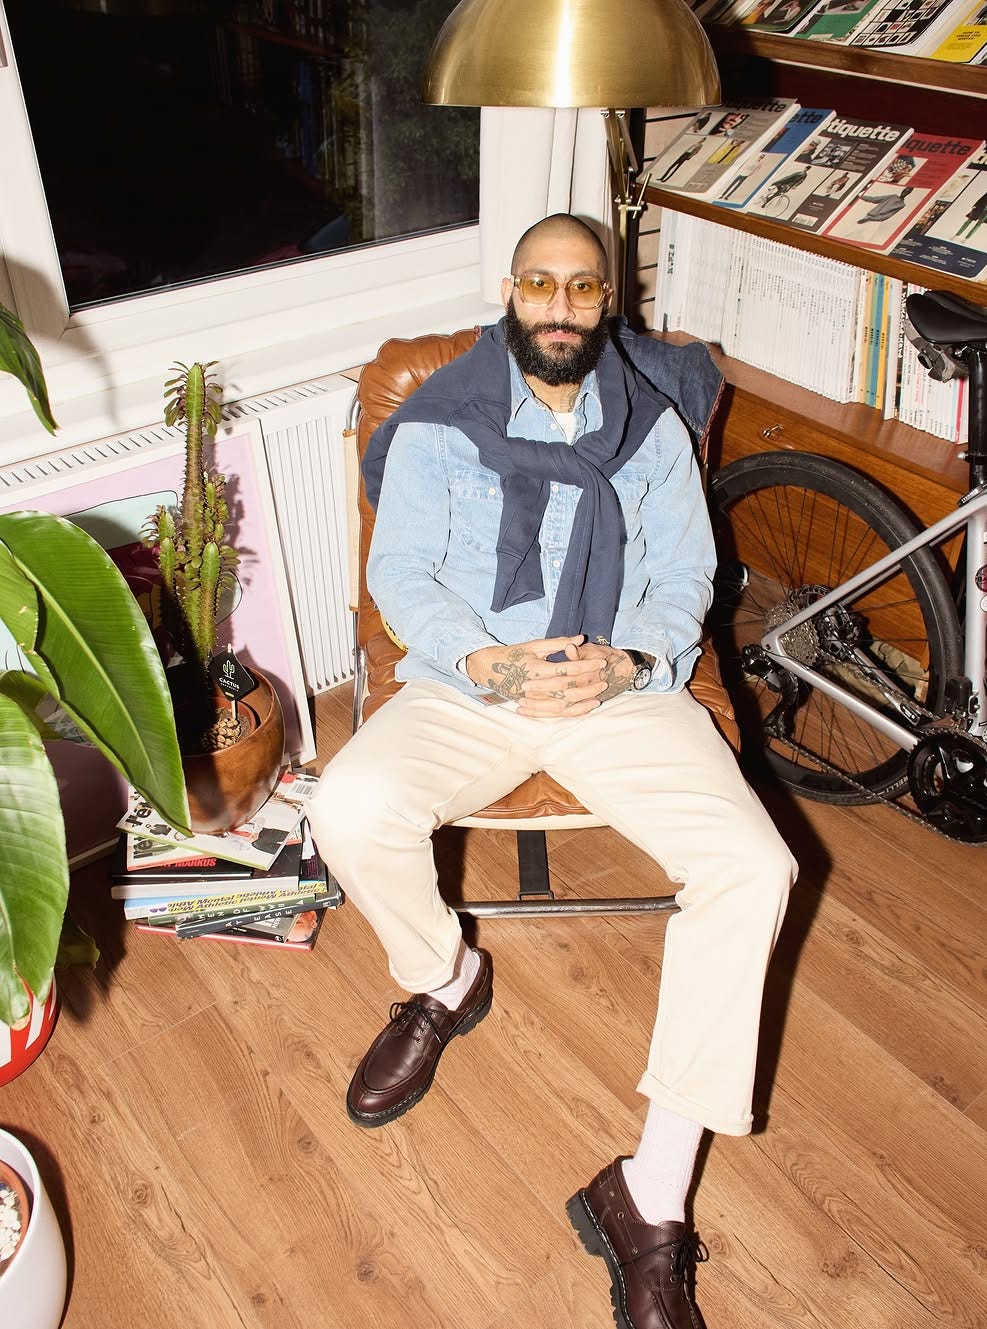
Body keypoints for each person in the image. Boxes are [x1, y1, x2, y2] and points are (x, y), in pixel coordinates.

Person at [305, 213, 796, 1329]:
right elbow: (405, 574)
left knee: (755, 870)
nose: (561, 306)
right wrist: (482, 656)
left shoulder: (654, 427)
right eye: (541, 283)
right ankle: (443, 979)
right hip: (473, 682)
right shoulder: (439, 422)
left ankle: (649, 1193)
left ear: (606, 301)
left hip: (617, 691)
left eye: (583, 287)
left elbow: (685, 574)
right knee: (348, 806)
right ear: (512, 291)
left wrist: (630, 659)